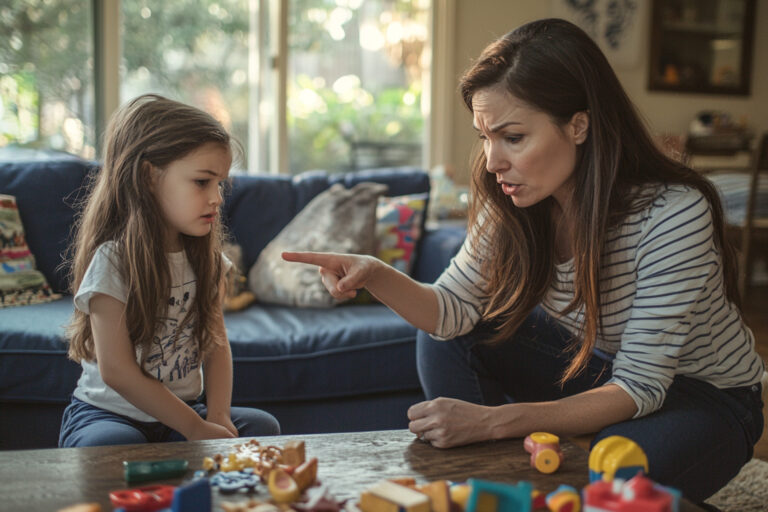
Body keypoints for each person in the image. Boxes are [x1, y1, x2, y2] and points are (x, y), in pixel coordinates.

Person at [283, 18, 765, 503]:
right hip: (599, 367)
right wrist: (377, 274)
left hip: (702, 397)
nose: (493, 161)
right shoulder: (513, 200)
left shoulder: (672, 212)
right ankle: (503, 481)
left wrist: (493, 422)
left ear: (579, 125)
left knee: (606, 481)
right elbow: (450, 312)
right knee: (451, 339)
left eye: (513, 137)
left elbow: (640, 388)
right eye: (484, 137)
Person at [59, 94, 280, 447]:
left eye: (220, 184)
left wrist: (218, 414)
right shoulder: (113, 262)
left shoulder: (207, 260)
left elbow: (216, 342)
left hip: (185, 410)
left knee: (262, 428)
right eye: (201, 182)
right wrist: (194, 429)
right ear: (149, 176)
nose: (217, 198)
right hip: (109, 413)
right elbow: (116, 371)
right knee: (111, 445)